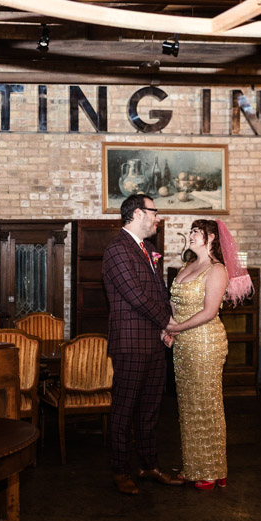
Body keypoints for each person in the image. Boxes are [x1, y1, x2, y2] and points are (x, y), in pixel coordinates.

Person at [102, 193, 181, 496]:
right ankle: (121, 471)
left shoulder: (148, 249)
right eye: (154, 212)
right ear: (137, 213)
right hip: (131, 343)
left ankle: (150, 466)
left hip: (153, 343)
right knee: (124, 412)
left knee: (150, 411)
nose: (158, 218)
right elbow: (135, 296)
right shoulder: (117, 250)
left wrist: (166, 328)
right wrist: (169, 323)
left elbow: (158, 293)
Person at [164, 219, 252, 490]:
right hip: (184, 344)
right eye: (191, 232)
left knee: (206, 405)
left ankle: (212, 469)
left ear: (211, 238)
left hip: (205, 342)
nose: (190, 236)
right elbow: (174, 302)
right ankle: (194, 465)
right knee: (188, 407)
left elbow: (209, 311)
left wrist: (176, 327)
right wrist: (172, 331)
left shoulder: (216, 270)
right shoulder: (187, 266)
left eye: (196, 232)